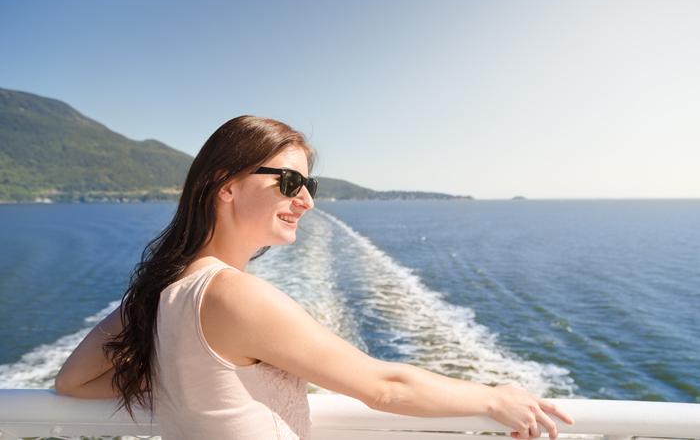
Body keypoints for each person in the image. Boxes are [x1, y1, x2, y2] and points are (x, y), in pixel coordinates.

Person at [55, 115, 575, 440]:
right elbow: (385, 388)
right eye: (289, 182)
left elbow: (73, 381)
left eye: (310, 184)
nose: (305, 199)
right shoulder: (235, 295)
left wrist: (177, 384)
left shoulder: (163, 292)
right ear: (224, 185)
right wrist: (493, 397)